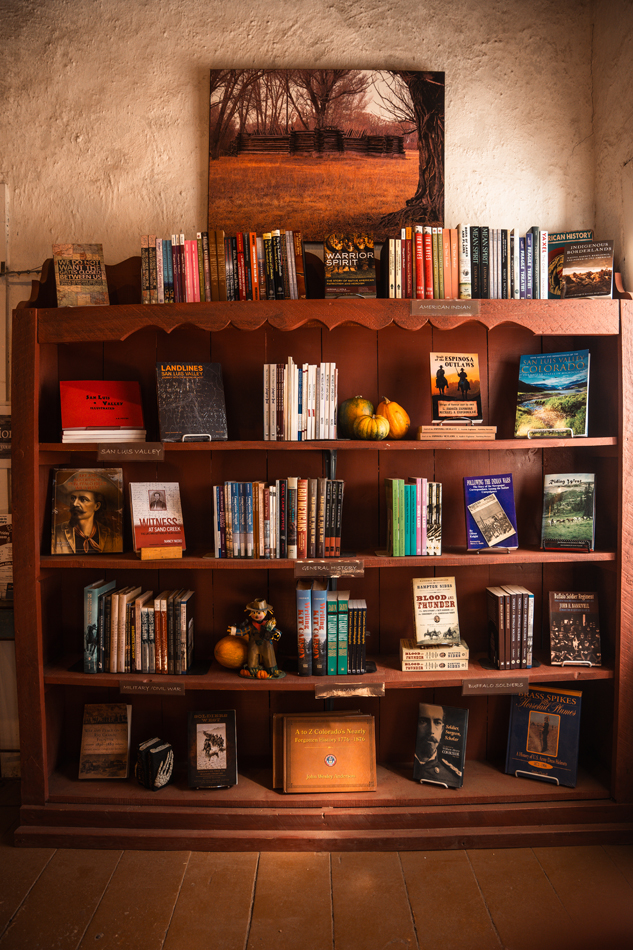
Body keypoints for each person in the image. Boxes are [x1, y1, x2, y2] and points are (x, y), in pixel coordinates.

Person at [52, 470, 121, 554]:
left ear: (97, 506)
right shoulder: (55, 534)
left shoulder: (114, 539)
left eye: (83, 499)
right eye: (73, 498)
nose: (75, 504)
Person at [227, 598, 285, 678]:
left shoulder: (268, 625)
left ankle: (272, 671)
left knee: (269, 658)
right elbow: (242, 632)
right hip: (253, 645)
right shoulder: (251, 627)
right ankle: (253, 670)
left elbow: (277, 631)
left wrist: (276, 634)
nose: (256, 615)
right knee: (252, 658)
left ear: (265, 613)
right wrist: (234, 631)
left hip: (267, 645)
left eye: (258, 612)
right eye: (254, 612)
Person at [413, 703, 456, 785]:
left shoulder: (451, 777)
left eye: (437, 723)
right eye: (423, 721)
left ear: (442, 729)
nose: (431, 730)